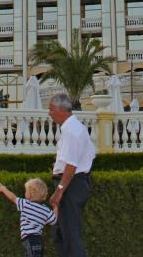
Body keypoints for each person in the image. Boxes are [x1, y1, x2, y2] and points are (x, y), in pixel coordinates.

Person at [47, 93, 95, 257]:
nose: (49, 113)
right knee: (60, 233)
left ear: (62, 110)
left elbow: (71, 166)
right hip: (71, 184)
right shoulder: (70, 129)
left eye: (51, 109)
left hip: (71, 185)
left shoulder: (72, 131)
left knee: (70, 235)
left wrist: (59, 190)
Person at [0, 179, 58, 257]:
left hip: (29, 239)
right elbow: (54, 220)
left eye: (26, 191)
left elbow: (13, 198)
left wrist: (4, 189)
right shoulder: (45, 209)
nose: (25, 193)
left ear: (30, 194)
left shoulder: (26, 204)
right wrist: (55, 207)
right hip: (39, 240)